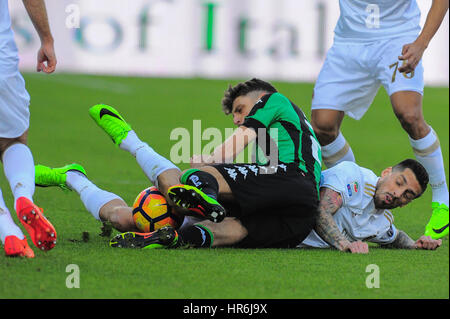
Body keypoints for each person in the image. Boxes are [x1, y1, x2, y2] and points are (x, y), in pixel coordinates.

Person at [36, 78, 323, 249]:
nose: (237, 119)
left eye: (239, 110)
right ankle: (75, 178)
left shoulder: (273, 99)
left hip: (292, 180)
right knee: (126, 219)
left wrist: (209, 161)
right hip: (297, 219)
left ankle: (133, 142)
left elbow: (241, 138)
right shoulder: (281, 142)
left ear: (259, 98)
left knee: (196, 174)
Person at [310, 0, 449, 240]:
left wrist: (421, 43)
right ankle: (353, 195)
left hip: (397, 38)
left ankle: (443, 201)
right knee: (323, 125)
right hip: (349, 41)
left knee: (409, 114)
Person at [0, 0, 57, 258]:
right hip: (2, 64)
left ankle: (9, 232)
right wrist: (46, 39)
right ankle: (23, 195)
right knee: (13, 141)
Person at [298, 159, 441, 253]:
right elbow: (321, 210)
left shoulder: (382, 221)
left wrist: (416, 245)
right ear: (386, 173)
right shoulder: (353, 175)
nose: (398, 194)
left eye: (407, 195)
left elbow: (394, 236)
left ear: (406, 204)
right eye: (398, 182)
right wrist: (345, 244)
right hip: (280, 218)